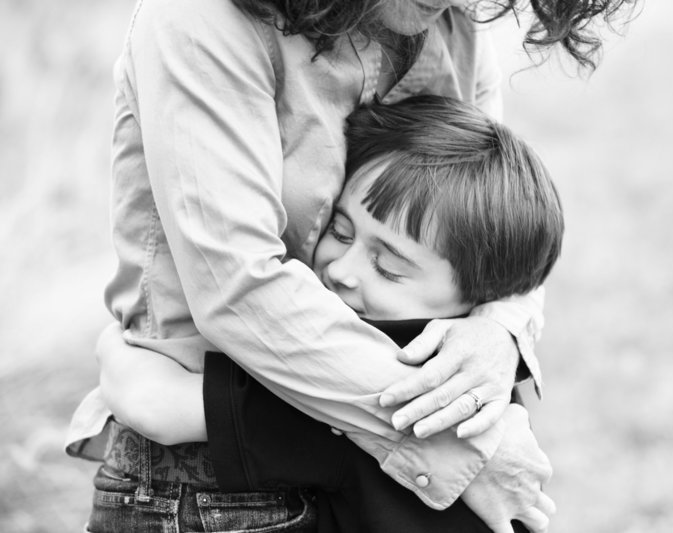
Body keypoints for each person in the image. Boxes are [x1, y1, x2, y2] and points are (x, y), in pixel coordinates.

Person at [65, 0, 636, 531]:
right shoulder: (203, 19)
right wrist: (463, 444)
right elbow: (237, 288)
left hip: (267, 433)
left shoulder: (452, 24)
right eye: (340, 232)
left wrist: (500, 330)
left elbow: (495, 230)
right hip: (214, 490)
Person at [96, 94, 565, 533]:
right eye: (340, 232)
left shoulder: (363, 389)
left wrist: (113, 351)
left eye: (387, 266)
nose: (341, 270)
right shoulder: (483, 378)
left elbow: (156, 406)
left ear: (481, 296)